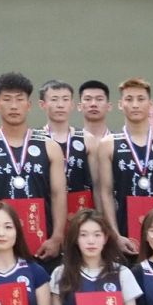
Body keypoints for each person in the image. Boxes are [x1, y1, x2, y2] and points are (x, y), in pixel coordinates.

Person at [0, 73, 69, 256]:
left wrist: (57, 236)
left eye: (19, 99)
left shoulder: (50, 146)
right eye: (7, 99)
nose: (14, 106)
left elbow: (58, 194)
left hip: (43, 239)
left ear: (29, 105)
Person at [90, 78, 153, 254]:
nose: (135, 105)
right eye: (129, 99)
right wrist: (115, 234)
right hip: (124, 230)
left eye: (141, 99)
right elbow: (106, 193)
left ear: (151, 104)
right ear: (120, 104)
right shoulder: (108, 144)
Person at [37, 80, 94, 218]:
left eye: (65, 99)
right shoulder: (34, 139)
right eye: (54, 99)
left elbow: (97, 183)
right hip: (45, 209)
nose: (60, 105)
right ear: (42, 104)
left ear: (72, 104)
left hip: (80, 209)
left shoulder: (87, 139)